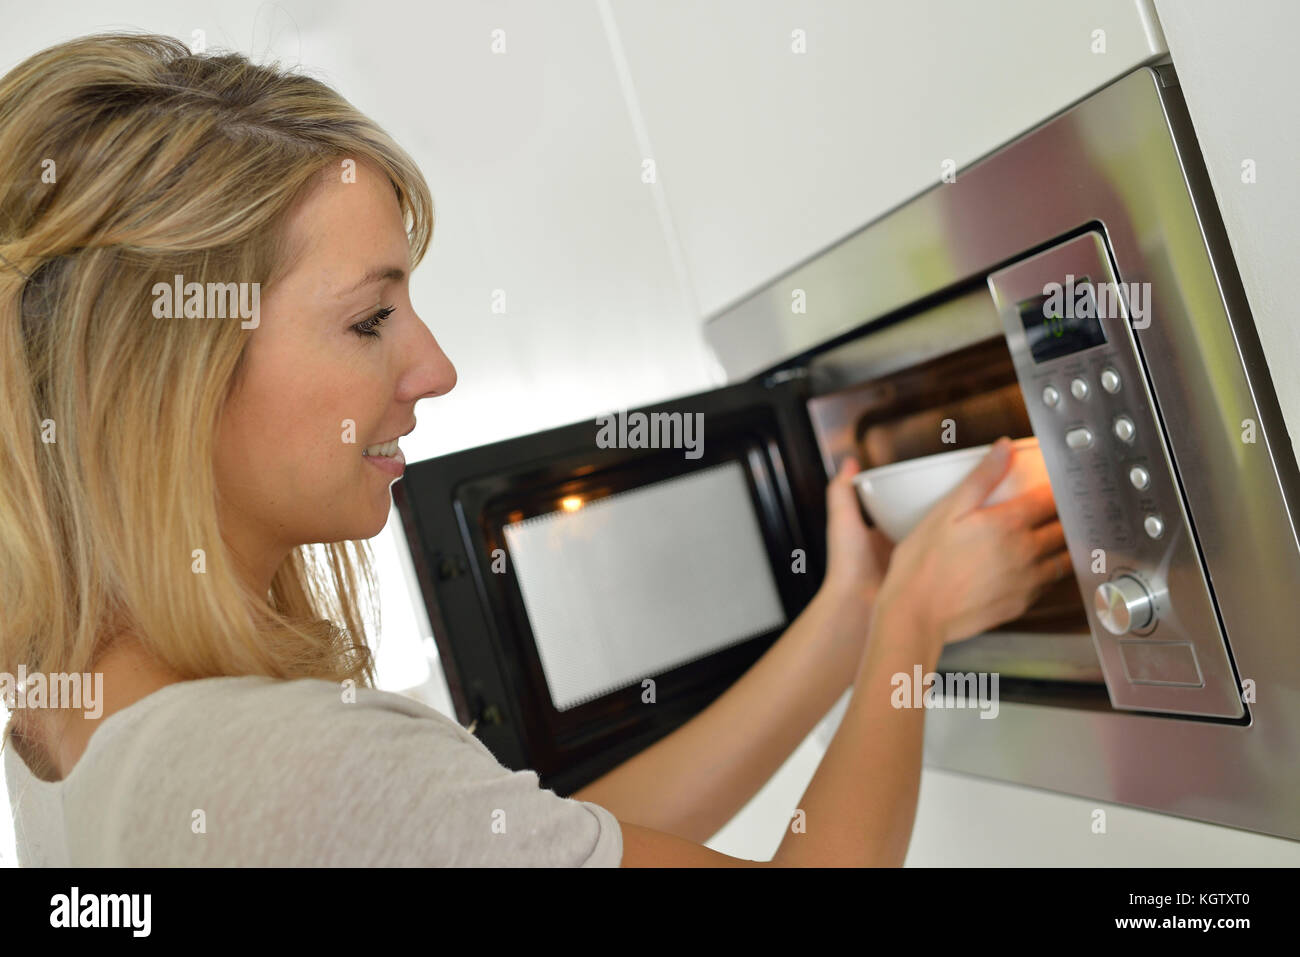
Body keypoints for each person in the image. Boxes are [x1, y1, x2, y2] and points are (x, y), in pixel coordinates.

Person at [0, 33, 1070, 867]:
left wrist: (850, 621)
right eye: (369, 320)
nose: (434, 370)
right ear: (163, 383)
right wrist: (911, 627)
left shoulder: (69, 719)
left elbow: (511, 842)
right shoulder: (275, 764)